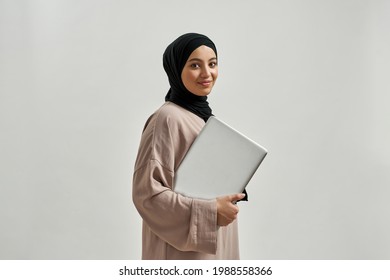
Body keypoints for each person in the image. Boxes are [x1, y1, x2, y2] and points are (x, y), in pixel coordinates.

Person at [132, 33, 245, 260]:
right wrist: (211, 212)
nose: (207, 73)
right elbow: (147, 195)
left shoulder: (201, 117)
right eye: (195, 65)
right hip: (181, 255)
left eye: (212, 64)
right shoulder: (166, 119)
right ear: (175, 69)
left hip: (214, 244)